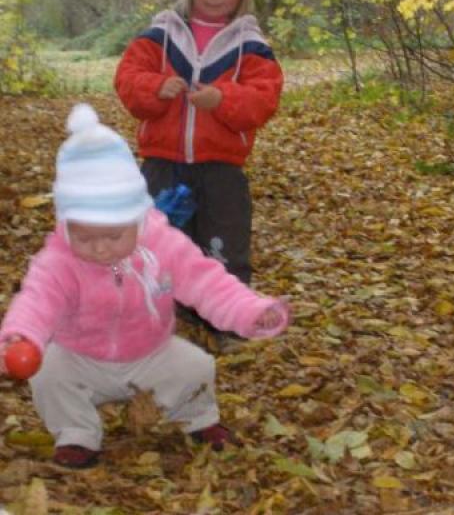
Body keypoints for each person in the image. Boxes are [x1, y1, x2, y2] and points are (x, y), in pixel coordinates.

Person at [0, 104, 289, 469]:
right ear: (65, 224)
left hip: (149, 352)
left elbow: (207, 282)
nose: (100, 248)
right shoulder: (60, 259)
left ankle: (196, 418)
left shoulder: (161, 244)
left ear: (137, 218)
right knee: (49, 372)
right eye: (85, 237)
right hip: (82, 356)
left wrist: (249, 311)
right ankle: (76, 432)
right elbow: (37, 302)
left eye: (113, 235)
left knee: (195, 365)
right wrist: (21, 336)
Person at [114, 0, 283, 291]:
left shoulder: (250, 46)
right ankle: (155, 311)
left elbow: (264, 98)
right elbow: (127, 78)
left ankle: (224, 311)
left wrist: (223, 98)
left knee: (223, 242)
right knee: (157, 240)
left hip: (221, 168)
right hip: (162, 162)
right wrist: (155, 88)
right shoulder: (160, 34)